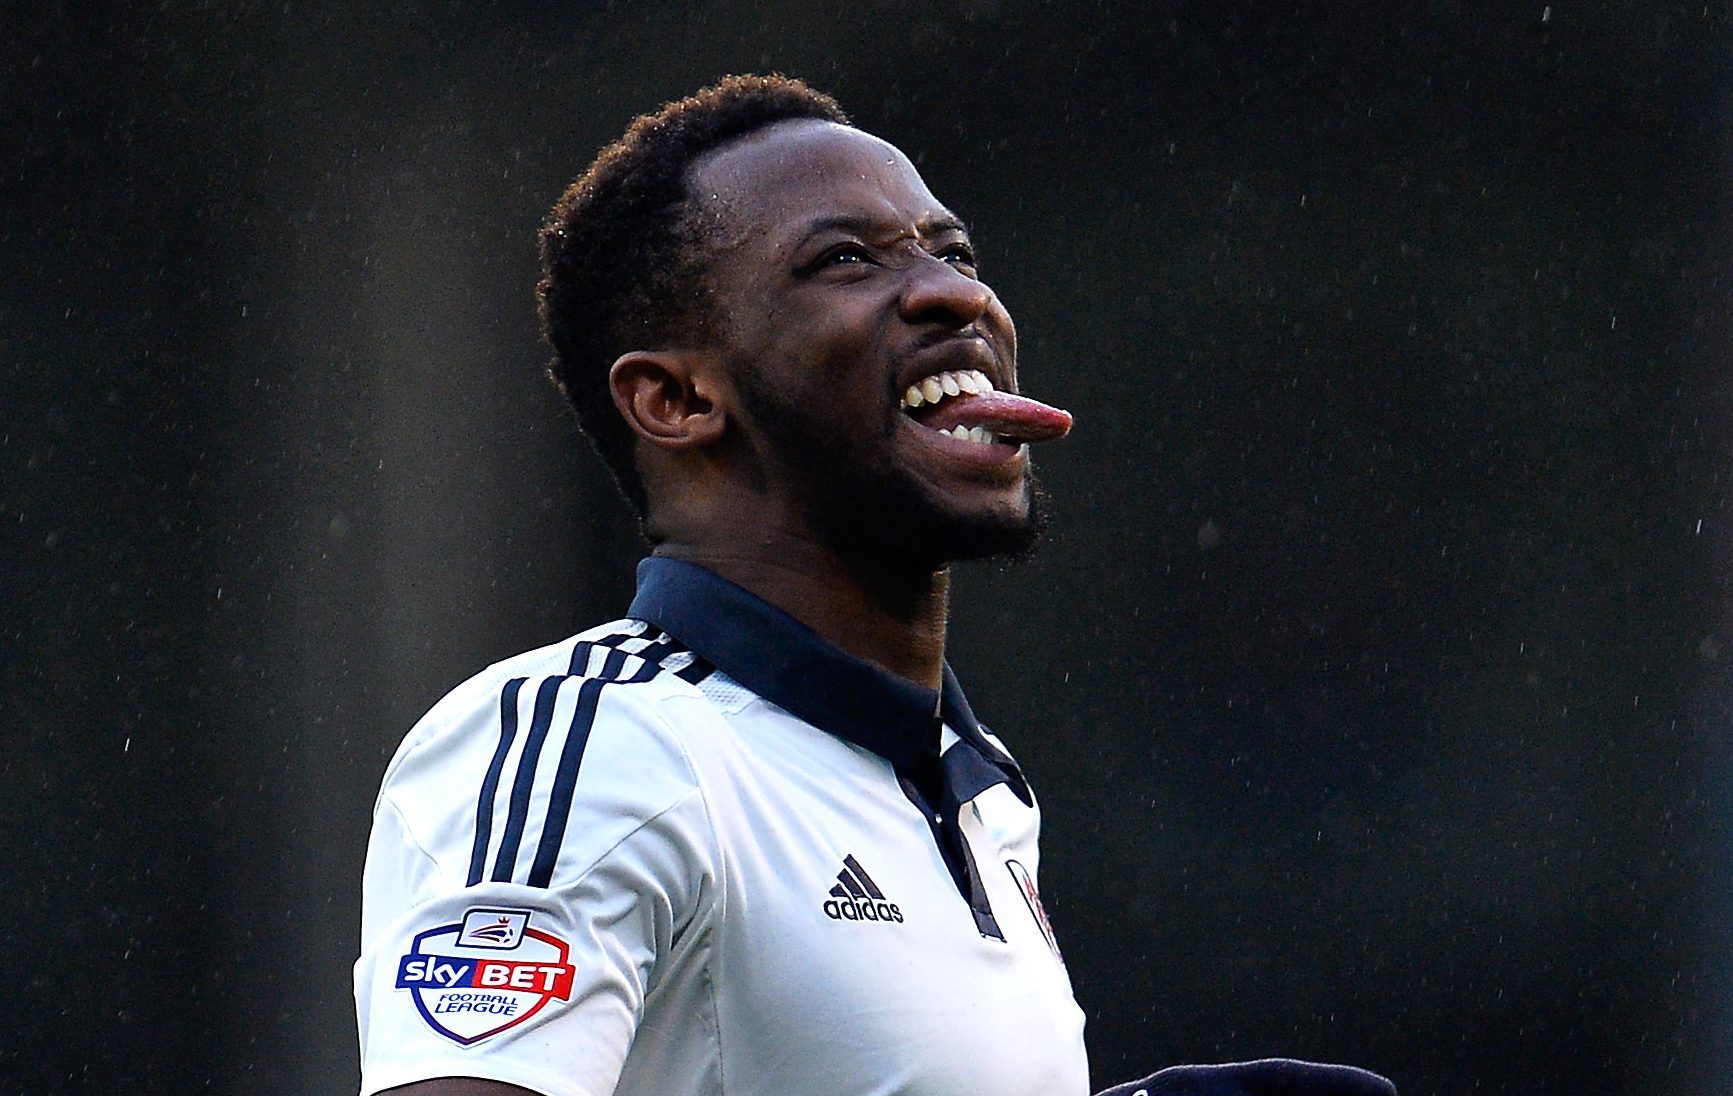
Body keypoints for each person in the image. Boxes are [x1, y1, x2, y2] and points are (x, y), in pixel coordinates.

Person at [352, 75, 1396, 1096]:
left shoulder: (981, 788)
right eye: (844, 259)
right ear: (674, 398)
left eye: (952, 252)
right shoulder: (595, 748)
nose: (957, 292)